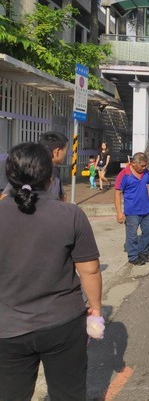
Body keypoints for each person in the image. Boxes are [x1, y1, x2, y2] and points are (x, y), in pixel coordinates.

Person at [0, 142, 103, 400]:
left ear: (9, 176)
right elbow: (89, 270)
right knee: (68, 393)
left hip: (7, 328)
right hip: (63, 323)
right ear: (50, 176)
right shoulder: (70, 214)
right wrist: (96, 310)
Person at [0, 131, 68, 202]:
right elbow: (4, 198)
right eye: (65, 150)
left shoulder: (55, 172)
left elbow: (61, 197)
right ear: (57, 151)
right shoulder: (30, 171)